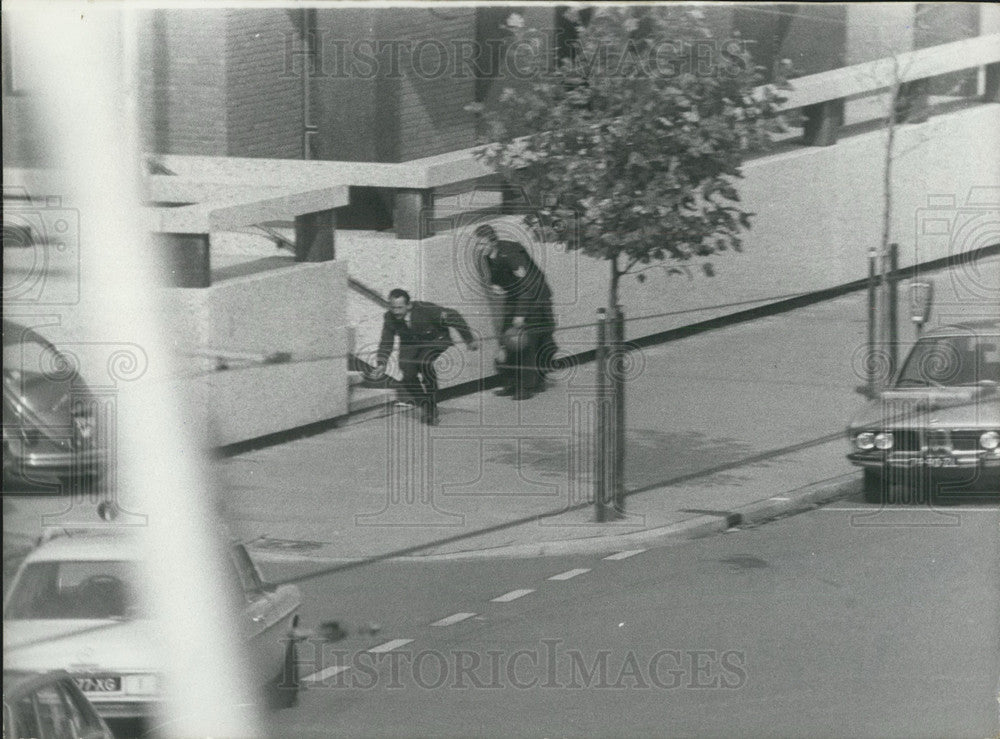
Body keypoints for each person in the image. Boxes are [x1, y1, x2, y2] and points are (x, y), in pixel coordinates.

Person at [474, 223, 557, 400]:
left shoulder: (511, 253)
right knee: (508, 338)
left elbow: (527, 285)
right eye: (477, 245)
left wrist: (520, 314)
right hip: (515, 297)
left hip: (534, 299)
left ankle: (527, 387)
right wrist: (495, 286)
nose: (479, 248)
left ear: (492, 242)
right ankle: (511, 383)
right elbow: (500, 278)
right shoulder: (489, 256)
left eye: (482, 244)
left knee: (526, 342)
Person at [374, 288, 478, 425]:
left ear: (409, 305)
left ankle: (431, 407)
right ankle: (425, 404)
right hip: (411, 345)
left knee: (425, 363)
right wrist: (381, 363)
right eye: (393, 308)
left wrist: (469, 339)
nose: (396, 312)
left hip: (434, 340)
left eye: (400, 308)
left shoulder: (426, 309)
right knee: (407, 374)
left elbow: (453, 316)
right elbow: (386, 340)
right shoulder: (389, 317)